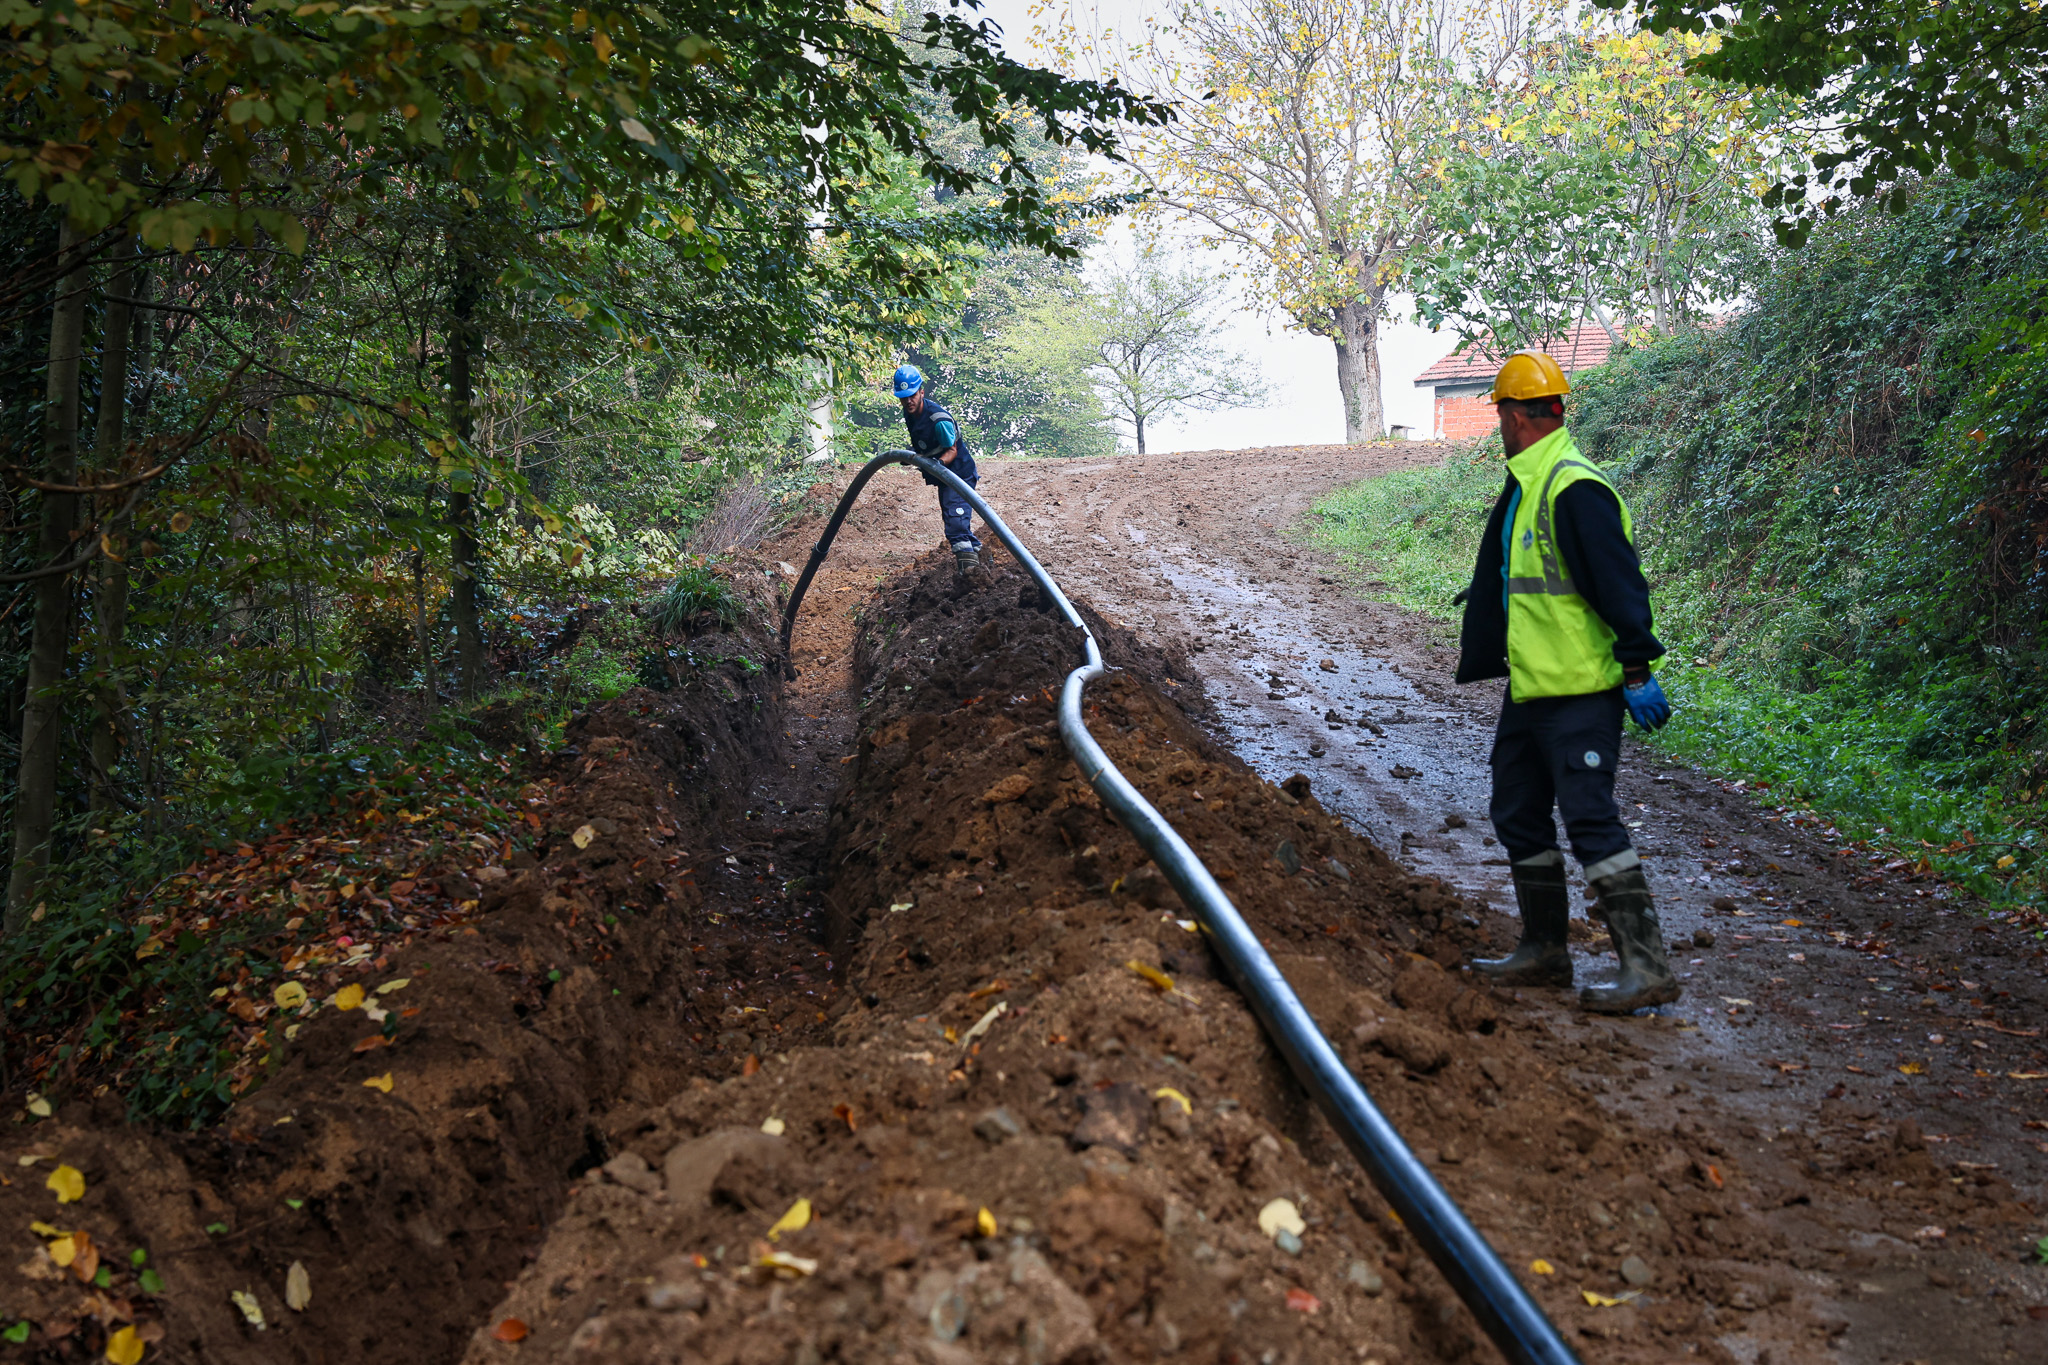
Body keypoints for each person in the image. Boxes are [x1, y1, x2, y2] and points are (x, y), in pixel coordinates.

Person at [1453, 349, 1679, 1013]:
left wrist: (1635, 665)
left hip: (1580, 692)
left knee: (1589, 817)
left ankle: (1647, 965)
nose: (1499, 425)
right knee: (1518, 810)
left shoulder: (1574, 486)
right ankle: (1545, 950)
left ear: (1517, 416)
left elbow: (1619, 584)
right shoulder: (1528, 485)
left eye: (1500, 413)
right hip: (1532, 690)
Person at [893, 364, 982, 574]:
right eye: (903, 397)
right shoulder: (910, 413)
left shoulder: (938, 420)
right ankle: (982, 563)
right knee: (954, 519)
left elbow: (951, 450)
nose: (908, 401)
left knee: (956, 524)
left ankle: (970, 576)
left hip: (959, 473)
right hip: (945, 476)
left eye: (912, 395)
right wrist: (917, 457)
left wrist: (937, 465)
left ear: (921, 392)